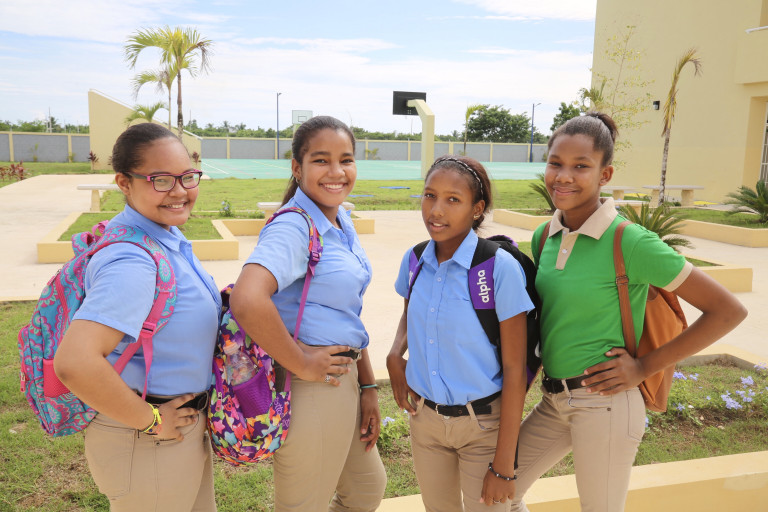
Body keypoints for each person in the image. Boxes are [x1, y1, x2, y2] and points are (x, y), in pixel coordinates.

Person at [509, 112, 748, 512]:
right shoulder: (544, 235)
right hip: (554, 400)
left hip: (605, 403)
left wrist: (643, 367)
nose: (563, 176)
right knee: (498, 494)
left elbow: (728, 310)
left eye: (581, 166)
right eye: (555, 163)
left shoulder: (630, 242)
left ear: (605, 175)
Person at [54, 123, 221, 511]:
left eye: (187, 176)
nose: (179, 191)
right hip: (147, 440)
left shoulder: (163, 236)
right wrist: (151, 420)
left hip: (174, 433)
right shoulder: (132, 261)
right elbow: (75, 362)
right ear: (124, 183)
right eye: (160, 180)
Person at [229, 115, 386, 511]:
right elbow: (247, 299)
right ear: (297, 168)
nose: (336, 171)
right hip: (312, 385)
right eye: (321, 160)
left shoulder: (339, 219)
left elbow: (346, 312)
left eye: (346, 160)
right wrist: (300, 361)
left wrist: (367, 386)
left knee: (366, 488)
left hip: (345, 376)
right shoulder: (294, 228)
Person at [387, 155, 534, 510]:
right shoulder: (415, 259)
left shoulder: (497, 269)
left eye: (453, 199)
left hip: (482, 426)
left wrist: (504, 464)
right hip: (426, 423)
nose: (436, 210)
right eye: (429, 195)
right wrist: (394, 354)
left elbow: (515, 370)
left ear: (477, 209)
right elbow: (410, 312)